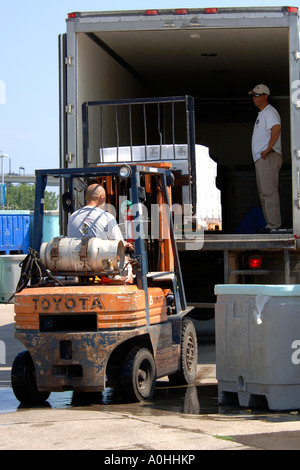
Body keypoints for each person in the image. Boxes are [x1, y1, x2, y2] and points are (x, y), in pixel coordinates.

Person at [67, 183, 133, 282]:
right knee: (127, 265)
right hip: (100, 266)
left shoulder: (73, 217)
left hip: (77, 265)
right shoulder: (106, 217)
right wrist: (122, 253)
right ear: (101, 197)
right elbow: (118, 247)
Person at [249, 84, 282, 233]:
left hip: (268, 157)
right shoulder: (262, 113)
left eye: (257, 95)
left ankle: (274, 225)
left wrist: (267, 149)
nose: (254, 98)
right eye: (253, 95)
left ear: (265, 96)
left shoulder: (270, 112)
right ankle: (271, 224)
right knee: (264, 193)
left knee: (269, 192)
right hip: (262, 158)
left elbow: (276, 128)